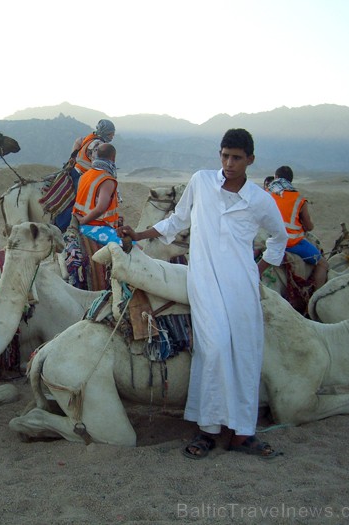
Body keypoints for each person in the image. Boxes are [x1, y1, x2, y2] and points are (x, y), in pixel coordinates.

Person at [117, 128, 288, 460]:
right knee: (214, 348)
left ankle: (242, 434)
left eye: (236, 157)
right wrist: (137, 234)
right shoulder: (201, 182)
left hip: (241, 287)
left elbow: (279, 238)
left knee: (245, 354)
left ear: (250, 160)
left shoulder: (260, 201)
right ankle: (208, 430)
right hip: (205, 283)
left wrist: (259, 269)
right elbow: (176, 221)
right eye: (224, 155)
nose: (229, 162)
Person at [267, 165, 329, 290]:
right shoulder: (299, 199)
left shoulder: (267, 194)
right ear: (291, 180)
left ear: (276, 177)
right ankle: (315, 299)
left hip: (269, 238)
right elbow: (308, 226)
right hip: (291, 243)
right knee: (323, 264)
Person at [55, 119, 116, 231]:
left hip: (75, 171)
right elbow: (97, 163)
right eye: (111, 133)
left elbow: (78, 141)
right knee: (82, 201)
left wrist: (73, 156)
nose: (112, 136)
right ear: (105, 132)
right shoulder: (99, 144)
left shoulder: (89, 138)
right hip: (82, 175)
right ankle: (63, 226)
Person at [72, 142, 122, 243]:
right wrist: (84, 221)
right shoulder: (107, 179)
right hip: (95, 226)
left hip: (80, 221)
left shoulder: (85, 175)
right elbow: (100, 208)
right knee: (133, 247)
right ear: (113, 158)